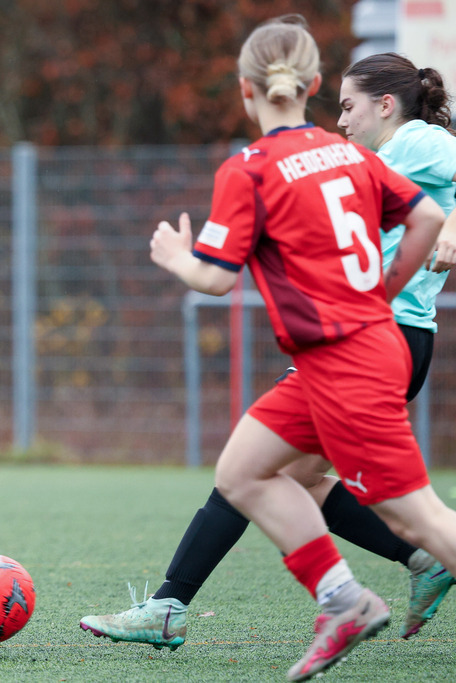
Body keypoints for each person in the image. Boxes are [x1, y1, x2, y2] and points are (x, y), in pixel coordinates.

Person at [91, 15, 453, 681]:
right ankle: (342, 598)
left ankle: (342, 596)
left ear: (244, 90)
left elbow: (217, 278)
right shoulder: (352, 155)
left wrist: (177, 256)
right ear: (314, 84)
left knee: (424, 520)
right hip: (344, 356)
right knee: (243, 471)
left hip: (349, 362)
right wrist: (386, 288)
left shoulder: (251, 167)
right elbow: (429, 217)